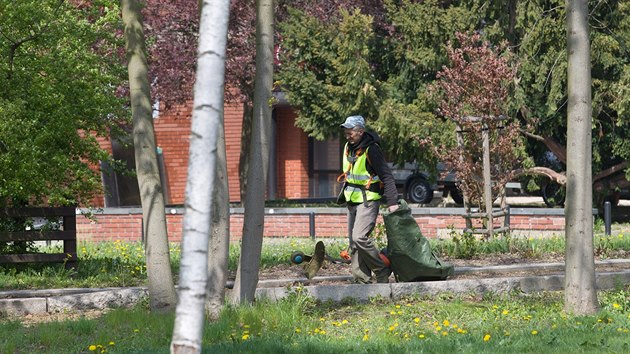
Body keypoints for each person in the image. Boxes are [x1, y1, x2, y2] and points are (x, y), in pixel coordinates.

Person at [338, 115, 399, 283]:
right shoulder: (348, 147)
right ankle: (361, 280)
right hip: (352, 199)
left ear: (361, 131)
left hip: (368, 200)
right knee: (354, 243)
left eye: (351, 132)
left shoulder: (372, 149)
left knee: (359, 237)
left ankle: (381, 268)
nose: (348, 135)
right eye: (346, 131)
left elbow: (387, 177)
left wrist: (393, 202)